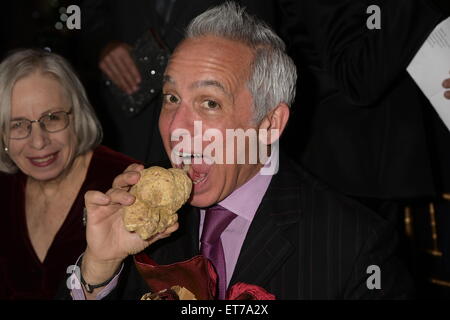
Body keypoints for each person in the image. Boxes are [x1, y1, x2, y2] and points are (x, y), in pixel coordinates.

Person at [62, 3, 412, 300]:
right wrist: (99, 268)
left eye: (210, 102)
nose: (177, 127)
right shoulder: (141, 223)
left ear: (270, 123)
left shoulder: (354, 248)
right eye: (171, 99)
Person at [0, 49, 137, 299]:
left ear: (77, 116)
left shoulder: (125, 185)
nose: (39, 142)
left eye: (52, 118)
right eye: (18, 124)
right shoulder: (4, 186)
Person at [79, 0, 280, 163]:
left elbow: (260, 37)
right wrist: (102, 45)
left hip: (210, 119)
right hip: (125, 109)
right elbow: (86, 13)